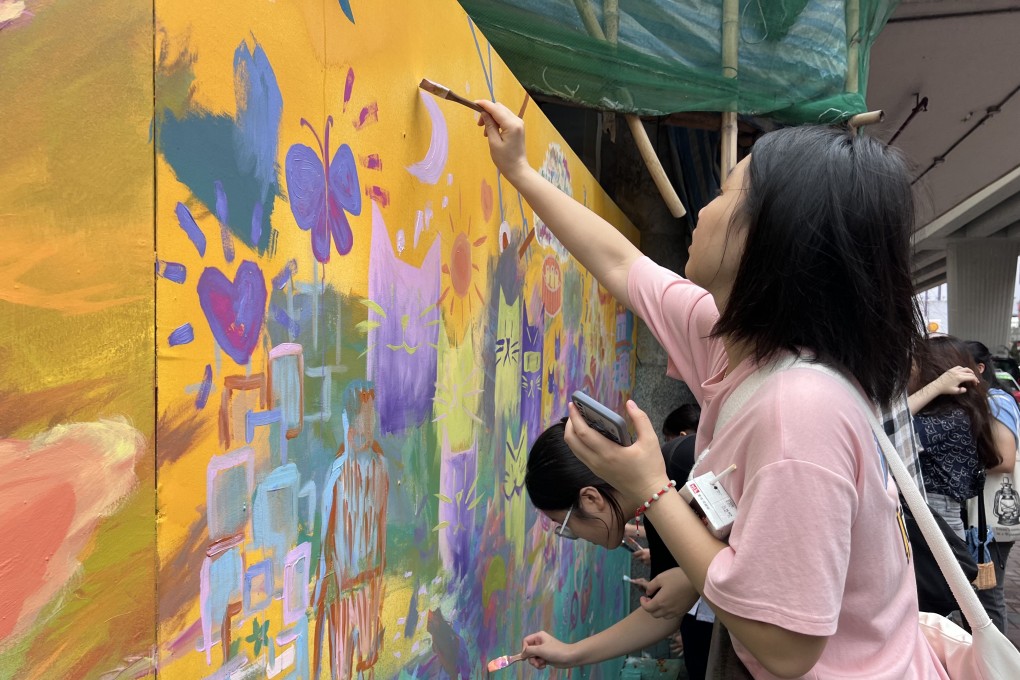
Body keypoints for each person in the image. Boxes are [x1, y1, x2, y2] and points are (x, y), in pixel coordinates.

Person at [477, 101, 946, 678]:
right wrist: (521, 171)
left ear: (771, 238)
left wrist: (650, 489)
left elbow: (786, 647)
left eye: (725, 195)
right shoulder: (733, 340)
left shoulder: (800, 410)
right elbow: (621, 264)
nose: (702, 209)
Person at [521, 419, 697, 674]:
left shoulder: (683, 464)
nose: (575, 536)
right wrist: (569, 653)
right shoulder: (655, 508)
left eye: (565, 524)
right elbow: (661, 614)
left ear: (591, 498)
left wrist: (698, 582)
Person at [907, 336, 1000, 541]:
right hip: (936, 515)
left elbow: (888, 428)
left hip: (935, 516)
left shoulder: (949, 417)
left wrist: (937, 386)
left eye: (914, 365)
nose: (909, 372)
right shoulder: (957, 412)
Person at [965, 339, 1020, 633]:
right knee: (978, 592)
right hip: (984, 516)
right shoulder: (984, 400)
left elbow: (1005, 459)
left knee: (988, 593)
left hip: (992, 516)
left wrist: (957, 459)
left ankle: (995, 667)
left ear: (979, 368)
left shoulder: (996, 401)